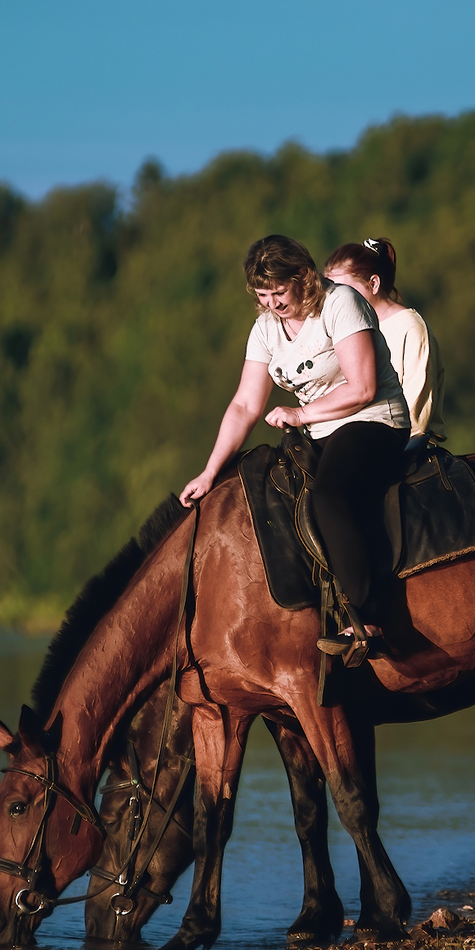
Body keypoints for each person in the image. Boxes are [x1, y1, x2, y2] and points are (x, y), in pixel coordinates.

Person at [179, 235, 408, 659]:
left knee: (330, 498)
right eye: (263, 295)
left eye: (279, 292)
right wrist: (209, 472)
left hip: (373, 421)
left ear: (304, 276)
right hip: (319, 432)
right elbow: (245, 404)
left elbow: (363, 388)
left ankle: (367, 620)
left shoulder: (341, 304)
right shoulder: (266, 328)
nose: (272, 304)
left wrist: (300, 414)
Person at [323, 238, 443, 454]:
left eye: (343, 289)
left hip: (400, 444)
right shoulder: (342, 328)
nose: (337, 298)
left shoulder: (410, 327)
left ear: (374, 284)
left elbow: (417, 408)